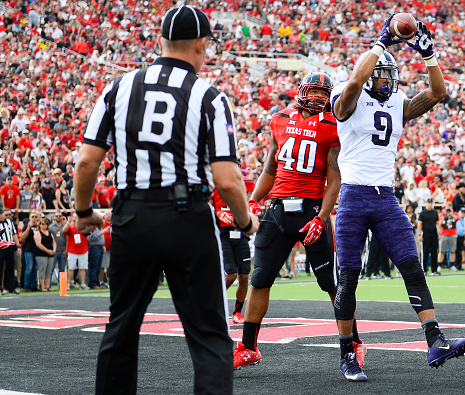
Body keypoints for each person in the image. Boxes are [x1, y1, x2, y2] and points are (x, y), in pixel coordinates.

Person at [74, 6, 258, 394]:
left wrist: (84, 210)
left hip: (132, 215)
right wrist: (244, 221)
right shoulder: (209, 96)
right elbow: (227, 180)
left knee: (120, 329)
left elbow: (88, 159)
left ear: (161, 40)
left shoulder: (118, 87)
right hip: (186, 216)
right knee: (209, 336)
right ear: (201, 45)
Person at [330, 16, 465, 382]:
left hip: (386, 197)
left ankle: (435, 340)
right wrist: (380, 43)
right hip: (353, 196)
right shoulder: (347, 96)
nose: (385, 80)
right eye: (379, 74)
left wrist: (429, 56)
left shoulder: (395, 104)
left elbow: (438, 93)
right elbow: (357, 80)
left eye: (388, 75)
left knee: (412, 265)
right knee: (347, 277)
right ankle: (348, 354)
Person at [233, 71, 367, 370]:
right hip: (277, 211)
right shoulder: (279, 119)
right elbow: (270, 168)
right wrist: (253, 200)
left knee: (332, 284)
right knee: (259, 279)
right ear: (302, 91)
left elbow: (334, 179)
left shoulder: (334, 126)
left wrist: (322, 217)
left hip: (311, 212)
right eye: (315, 91)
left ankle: (354, 344)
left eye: (324, 93)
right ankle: (248, 347)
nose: (320, 97)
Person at [211, 173, 255, 324]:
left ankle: (237, 311)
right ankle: (213, 302)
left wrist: (250, 210)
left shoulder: (246, 182)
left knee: (244, 276)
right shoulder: (214, 183)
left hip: (241, 234)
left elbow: (251, 201)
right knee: (231, 274)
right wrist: (217, 213)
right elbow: (206, 206)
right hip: (224, 235)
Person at [63, 214, 90, 290]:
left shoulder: (84, 226)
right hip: (72, 250)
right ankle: (68, 284)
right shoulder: (70, 226)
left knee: (83, 268)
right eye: (74, 216)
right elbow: (64, 231)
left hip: (83, 249)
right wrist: (68, 222)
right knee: (71, 268)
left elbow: (89, 232)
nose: (75, 218)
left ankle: (82, 284)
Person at [0, 207, 20, 295]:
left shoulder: (9, 222)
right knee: (0, 268)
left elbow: (14, 234)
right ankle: (1, 288)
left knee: (10, 268)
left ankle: (11, 288)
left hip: (9, 246)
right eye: (4, 215)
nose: (6, 217)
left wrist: (18, 245)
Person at [33, 217, 56, 291]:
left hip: (50, 254)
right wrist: (47, 251)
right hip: (41, 254)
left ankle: (48, 286)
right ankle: (42, 286)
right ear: (39, 225)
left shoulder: (49, 233)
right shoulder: (38, 233)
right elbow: (38, 244)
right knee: (42, 270)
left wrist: (54, 250)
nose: (44, 225)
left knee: (49, 270)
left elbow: (54, 242)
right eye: (42, 224)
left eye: (46, 223)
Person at [417, 198, 440, 275]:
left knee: (434, 252)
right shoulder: (423, 213)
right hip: (426, 234)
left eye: (431, 203)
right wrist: (420, 234)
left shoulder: (434, 213)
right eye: (429, 203)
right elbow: (419, 224)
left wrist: (439, 234)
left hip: (434, 234)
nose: (430, 204)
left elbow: (437, 223)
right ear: (426, 203)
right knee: (425, 252)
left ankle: (434, 270)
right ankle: (424, 269)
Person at [20, 210, 40, 291]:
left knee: (35, 268)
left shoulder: (39, 226)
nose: (34, 218)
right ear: (29, 218)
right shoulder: (26, 225)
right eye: (32, 217)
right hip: (28, 249)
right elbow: (22, 237)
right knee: (29, 267)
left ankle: (34, 285)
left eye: (36, 217)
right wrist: (28, 227)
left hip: (36, 250)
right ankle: (26, 285)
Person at [439, 207, 458, 272]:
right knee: (442, 251)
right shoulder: (442, 215)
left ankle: (452, 265)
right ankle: (439, 265)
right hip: (444, 234)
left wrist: (451, 213)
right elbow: (440, 223)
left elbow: (457, 218)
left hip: (452, 234)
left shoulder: (455, 214)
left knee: (452, 251)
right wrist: (444, 216)